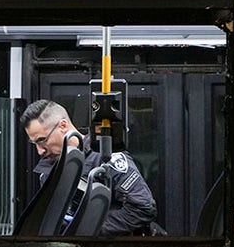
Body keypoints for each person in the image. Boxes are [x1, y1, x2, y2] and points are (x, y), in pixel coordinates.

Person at [20, 99, 158, 235]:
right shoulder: (48, 172)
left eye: (42, 140)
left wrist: (88, 229)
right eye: (34, 143)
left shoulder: (106, 156)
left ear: (62, 126)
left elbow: (143, 207)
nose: (40, 151)